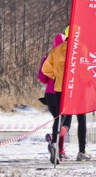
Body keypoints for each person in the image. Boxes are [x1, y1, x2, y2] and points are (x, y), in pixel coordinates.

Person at [40, 28, 90, 162]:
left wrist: (56, 75)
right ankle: (81, 151)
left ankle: (54, 145)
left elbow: (45, 69)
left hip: (60, 88)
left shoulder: (57, 50)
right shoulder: (82, 48)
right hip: (78, 88)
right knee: (81, 118)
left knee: (60, 117)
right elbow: (87, 69)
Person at [38, 29, 71, 164]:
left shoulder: (51, 55)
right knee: (65, 123)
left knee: (58, 120)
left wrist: (54, 76)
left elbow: (42, 76)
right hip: (64, 91)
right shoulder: (70, 54)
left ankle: (59, 151)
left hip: (50, 95)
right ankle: (54, 141)